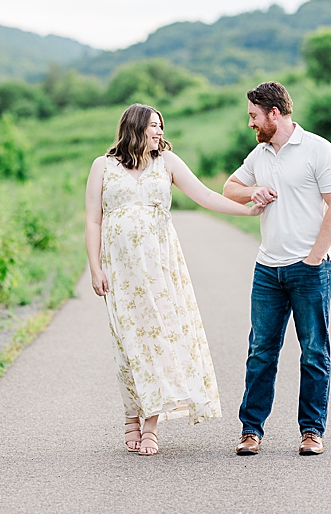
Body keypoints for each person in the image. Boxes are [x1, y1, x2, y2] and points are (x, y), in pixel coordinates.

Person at [85, 103, 265, 456]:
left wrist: (248, 210)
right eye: (154, 126)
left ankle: (150, 422)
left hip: (161, 269)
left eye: (161, 126)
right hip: (120, 271)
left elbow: (206, 196)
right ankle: (131, 414)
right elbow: (93, 219)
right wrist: (95, 268)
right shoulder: (102, 167)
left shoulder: (167, 162)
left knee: (157, 341)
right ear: (135, 127)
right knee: (127, 342)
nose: (159, 132)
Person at [222, 81, 331, 456]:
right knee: (261, 351)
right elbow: (230, 187)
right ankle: (251, 430)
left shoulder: (319, 150)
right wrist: (253, 191)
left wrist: (313, 259)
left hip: (310, 268)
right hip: (268, 270)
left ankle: (311, 431)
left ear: (273, 113)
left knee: (313, 351)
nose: (251, 123)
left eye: (253, 116)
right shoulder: (260, 154)